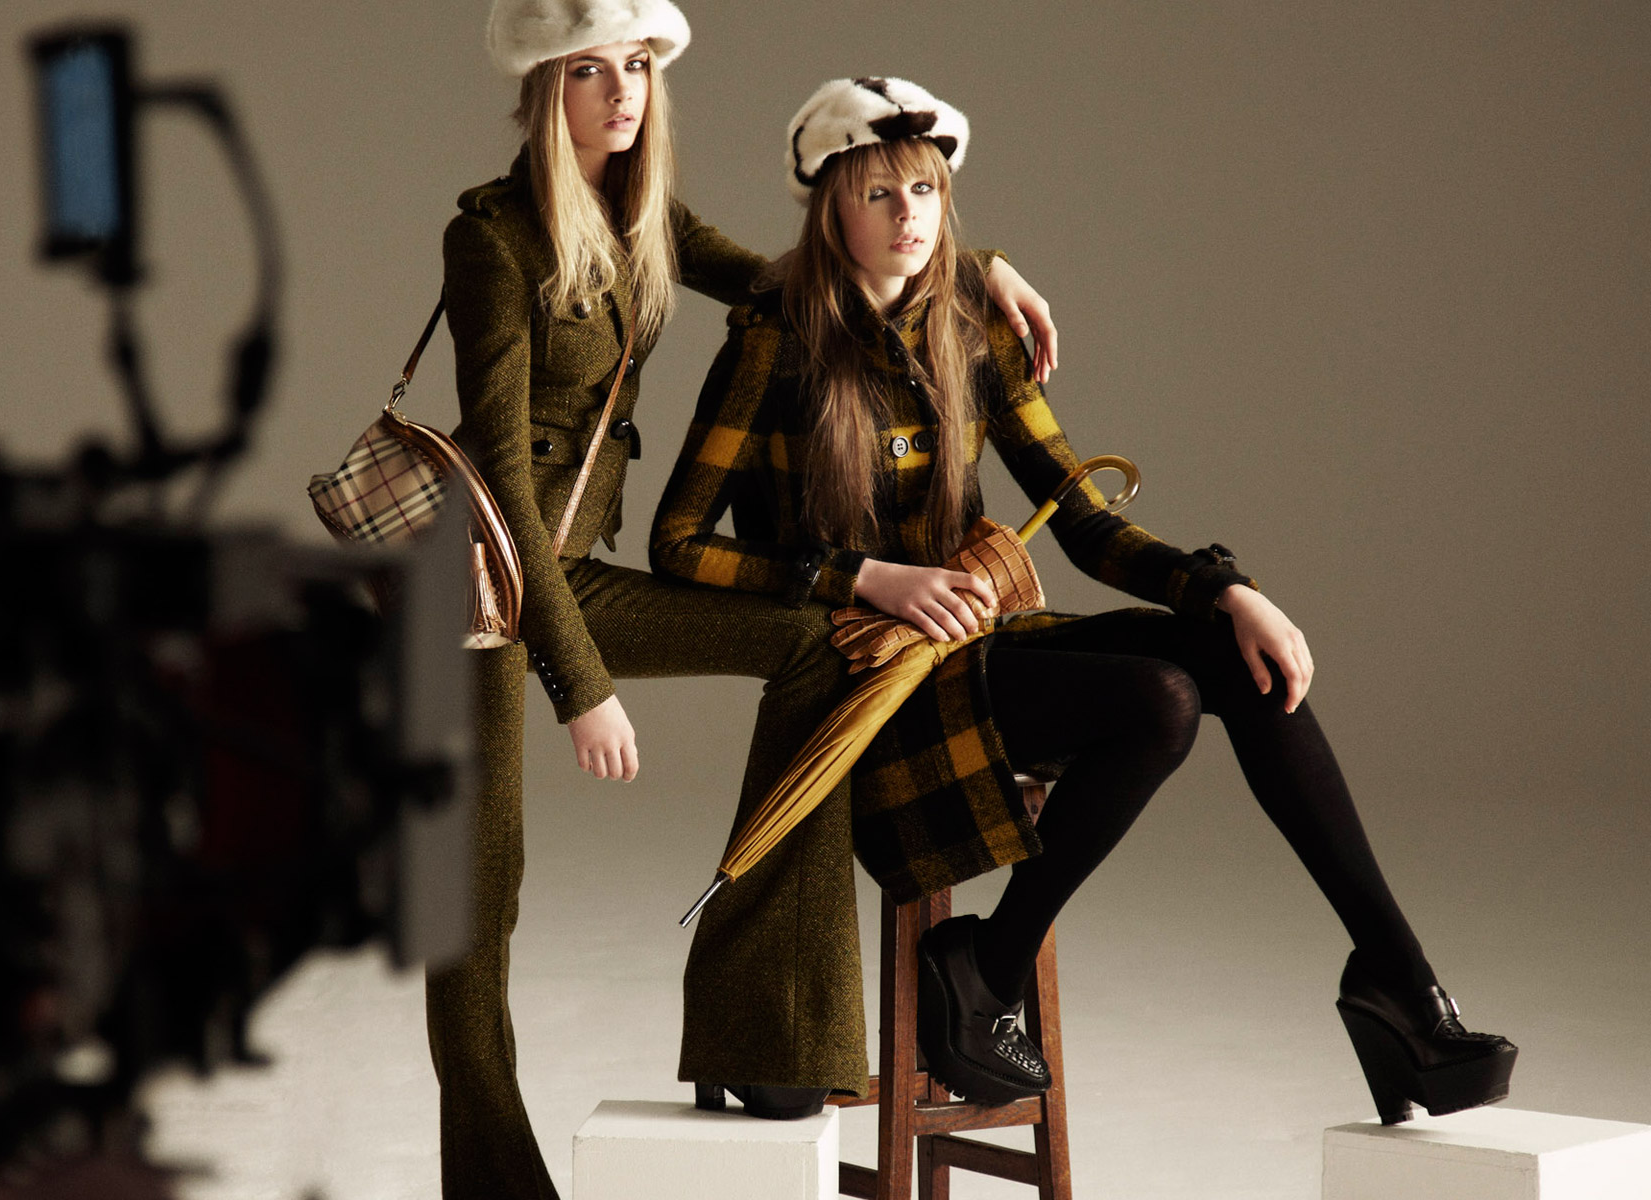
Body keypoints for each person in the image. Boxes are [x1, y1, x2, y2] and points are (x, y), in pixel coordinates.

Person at [652, 75, 1515, 1122]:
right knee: (1158, 700)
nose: (908, 216)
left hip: (976, 654)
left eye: (924, 190)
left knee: (1233, 659)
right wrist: (863, 576)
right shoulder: (774, 342)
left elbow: (1083, 518)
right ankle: (990, 967)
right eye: (878, 193)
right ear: (830, 206)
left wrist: (1227, 591)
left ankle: (1398, 983)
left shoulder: (970, 327)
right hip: (868, 688)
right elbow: (678, 543)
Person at [430, 8, 1059, 1196]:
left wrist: (979, 268)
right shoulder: (493, 241)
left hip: (569, 572)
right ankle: (494, 1181)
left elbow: (803, 275)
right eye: (589, 69)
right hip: (473, 590)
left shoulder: (642, 216)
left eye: (637, 66)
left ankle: (766, 1021)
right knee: (478, 893)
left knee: (821, 642)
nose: (622, 91)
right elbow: (505, 488)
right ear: (544, 86)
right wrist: (584, 687)